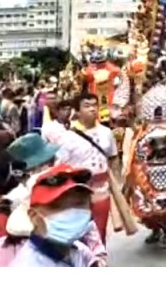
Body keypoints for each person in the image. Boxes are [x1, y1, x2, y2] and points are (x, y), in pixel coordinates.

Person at [0, 134, 107, 267]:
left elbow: (96, 247)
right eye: (58, 206)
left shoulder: (80, 252)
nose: (72, 212)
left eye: (79, 204)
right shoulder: (27, 262)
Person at [50, 93, 117, 243]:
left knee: (100, 233)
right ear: (77, 111)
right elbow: (59, 166)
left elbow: (113, 159)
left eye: (95, 105)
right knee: (80, 235)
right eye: (87, 106)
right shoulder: (67, 138)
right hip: (79, 194)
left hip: (101, 192)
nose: (92, 109)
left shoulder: (107, 133)